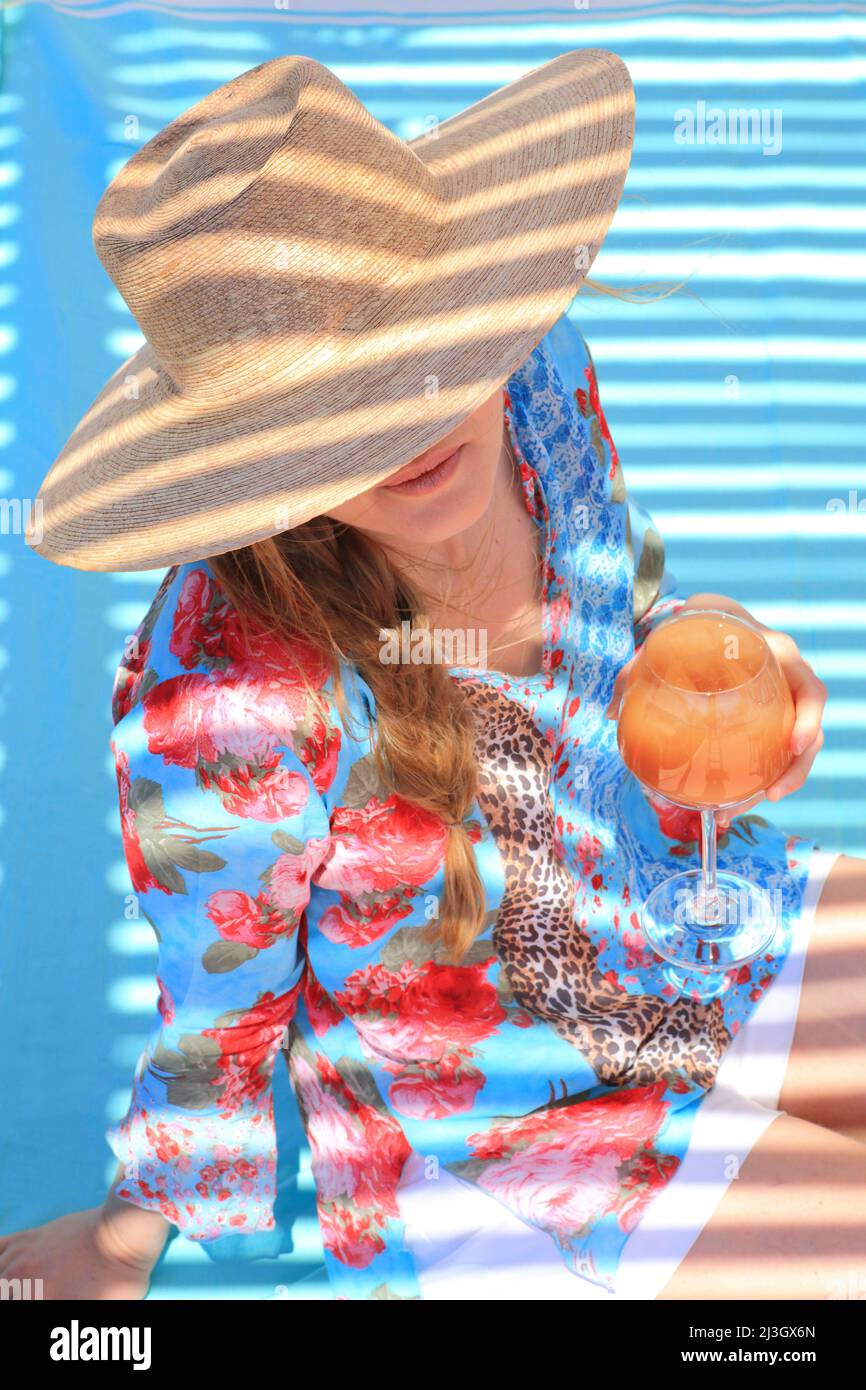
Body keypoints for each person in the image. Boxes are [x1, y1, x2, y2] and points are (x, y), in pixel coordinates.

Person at [4, 51, 864, 1302]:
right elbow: (222, 1006)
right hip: (503, 1133)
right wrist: (123, 1243)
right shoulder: (229, 695)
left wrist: (722, 654)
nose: (408, 422)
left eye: (415, 351)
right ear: (247, 451)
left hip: (694, 915)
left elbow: (619, 606)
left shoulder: (533, 371)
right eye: (329, 410)